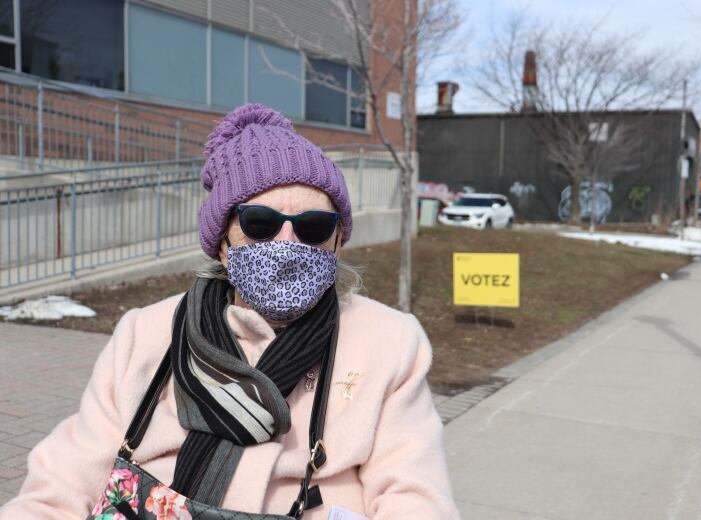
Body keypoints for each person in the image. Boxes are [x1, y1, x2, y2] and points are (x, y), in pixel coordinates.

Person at [0, 104, 458, 519]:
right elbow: (61, 484)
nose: (287, 244)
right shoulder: (146, 333)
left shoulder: (390, 342)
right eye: (260, 224)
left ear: (337, 242)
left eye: (314, 227)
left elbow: (416, 497)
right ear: (223, 242)